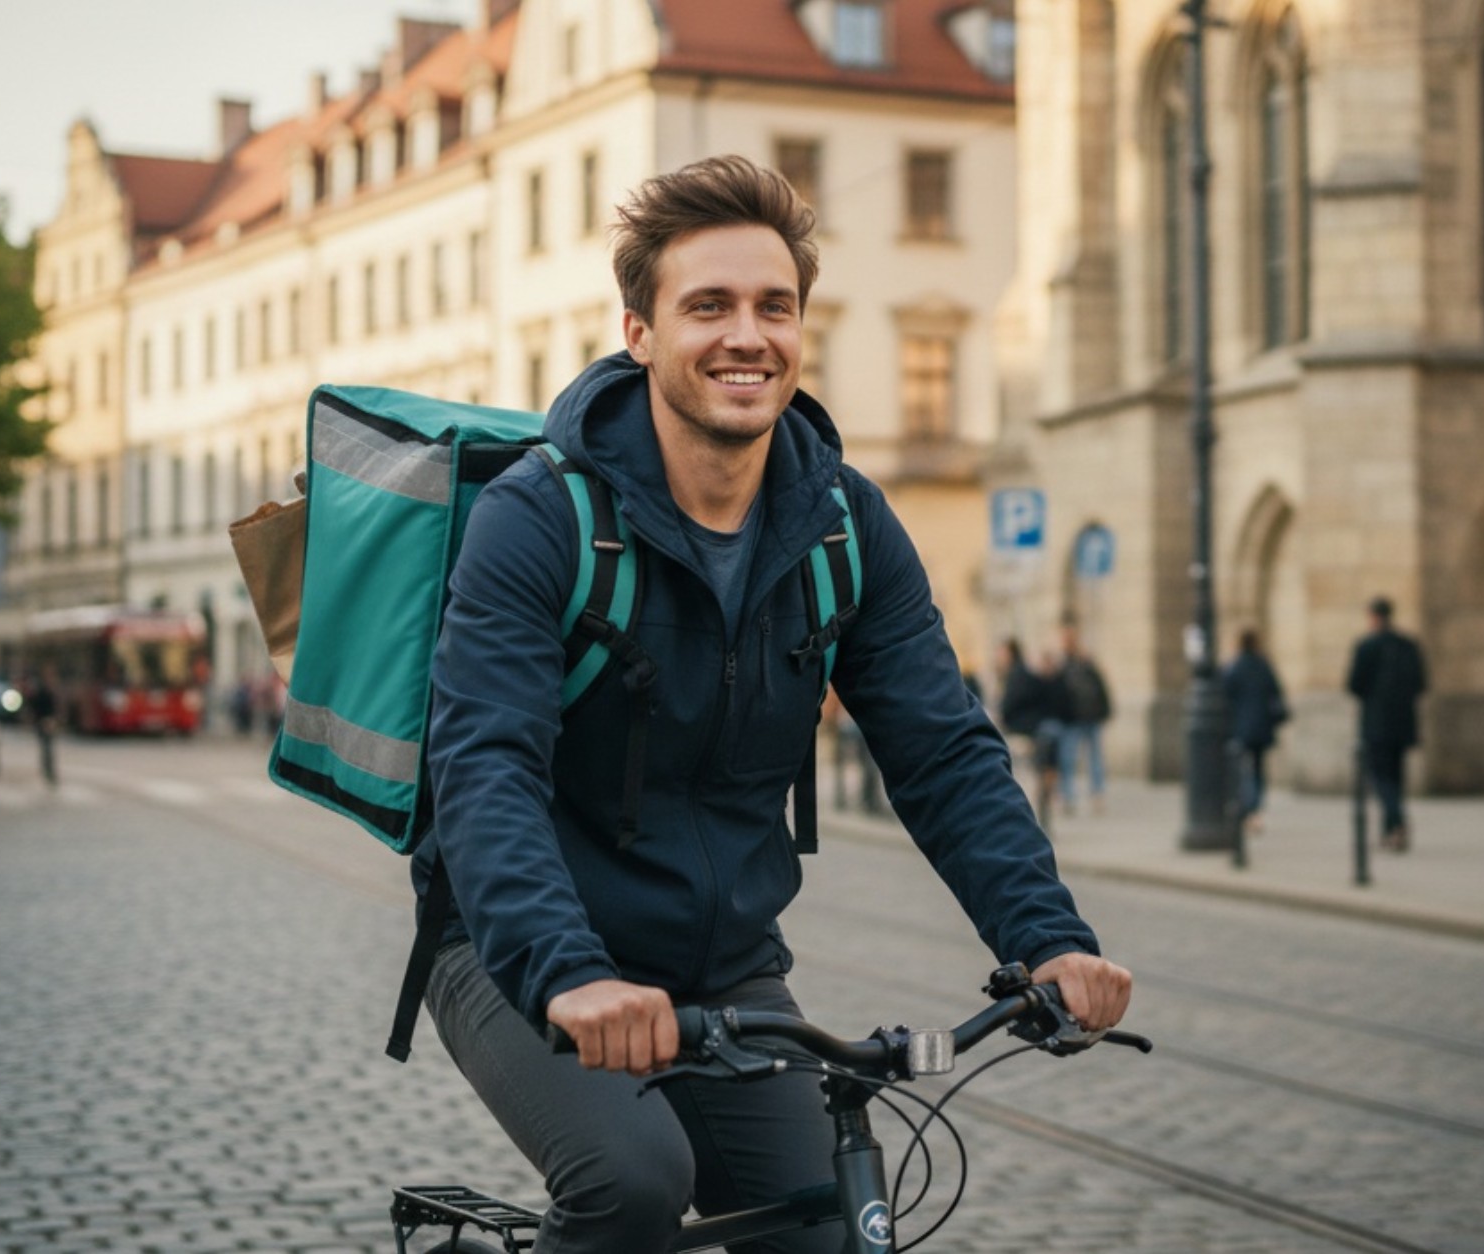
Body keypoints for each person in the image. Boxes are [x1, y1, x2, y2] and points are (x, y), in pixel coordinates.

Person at [415, 155, 1132, 1254]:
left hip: (725, 964)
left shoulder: (844, 523)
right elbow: (485, 767)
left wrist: (1047, 939)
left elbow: (942, 751)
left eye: (774, 307)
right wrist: (570, 975)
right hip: (517, 947)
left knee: (828, 1218)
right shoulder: (541, 519)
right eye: (708, 306)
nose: (746, 336)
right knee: (631, 1183)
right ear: (640, 333)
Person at [1346, 596, 1427, 852]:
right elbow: (1421, 683)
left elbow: (1354, 684)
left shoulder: (1367, 646)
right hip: (1403, 721)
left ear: (1373, 616)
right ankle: (1390, 830)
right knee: (1395, 777)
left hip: (1376, 722)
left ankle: (1396, 822)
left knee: (1380, 777)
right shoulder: (1408, 645)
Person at [1222, 629, 1289, 837]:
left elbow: (1224, 696)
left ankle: (1248, 808)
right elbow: (1276, 693)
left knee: (1242, 769)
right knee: (1258, 769)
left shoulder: (1233, 668)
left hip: (1240, 727)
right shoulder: (1263, 666)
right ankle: (1255, 810)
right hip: (1261, 727)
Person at [997, 637, 1065, 826]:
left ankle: (1036, 813)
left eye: (1001, 653)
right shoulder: (1027, 674)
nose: (998, 657)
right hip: (1038, 730)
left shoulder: (1016, 675)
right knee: (1044, 773)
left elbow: (1009, 706)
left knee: (1032, 776)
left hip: (1026, 733)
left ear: (1010, 654)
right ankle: (1045, 811)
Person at [1053, 620, 1112, 815]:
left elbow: (1100, 688)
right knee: (1068, 758)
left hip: (1090, 716)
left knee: (1094, 758)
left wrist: (1105, 711)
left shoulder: (1086, 662)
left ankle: (1097, 794)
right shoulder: (1061, 664)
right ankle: (1068, 796)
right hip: (1071, 718)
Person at [26, 666, 61, 789]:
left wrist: (54, 720)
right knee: (46, 749)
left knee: (49, 749)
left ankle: (49, 771)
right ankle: (47, 771)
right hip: (42, 723)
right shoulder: (41, 691)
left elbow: (55, 707)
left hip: (49, 723)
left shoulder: (50, 690)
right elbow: (36, 707)